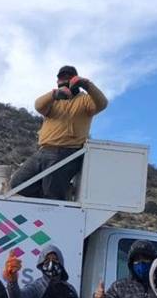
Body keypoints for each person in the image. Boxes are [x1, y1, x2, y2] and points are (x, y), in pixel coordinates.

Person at [9, 66, 108, 200]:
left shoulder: (85, 101)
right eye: (62, 77)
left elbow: (102, 103)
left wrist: (87, 84)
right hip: (43, 150)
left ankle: (54, 204)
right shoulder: (53, 101)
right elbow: (38, 105)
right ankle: (57, 199)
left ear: (76, 79)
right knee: (18, 183)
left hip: (66, 152)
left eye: (69, 76)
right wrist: (54, 95)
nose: (65, 79)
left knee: (52, 192)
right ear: (57, 82)